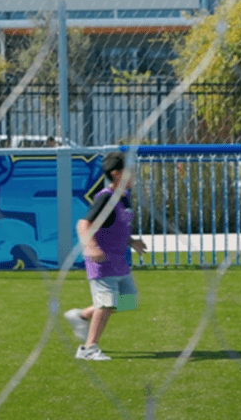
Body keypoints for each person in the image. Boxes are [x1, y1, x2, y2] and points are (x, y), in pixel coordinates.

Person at [64, 151, 148, 361]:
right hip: (101, 261)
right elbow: (83, 224)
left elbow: (114, 228)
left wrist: (132, 242)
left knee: (128, 301)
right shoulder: (105, 198)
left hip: (118, 261)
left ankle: (82, 316)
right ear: (117, 174)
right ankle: (89, 349)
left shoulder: (125, 197)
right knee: (106, 303)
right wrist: (91, 247)